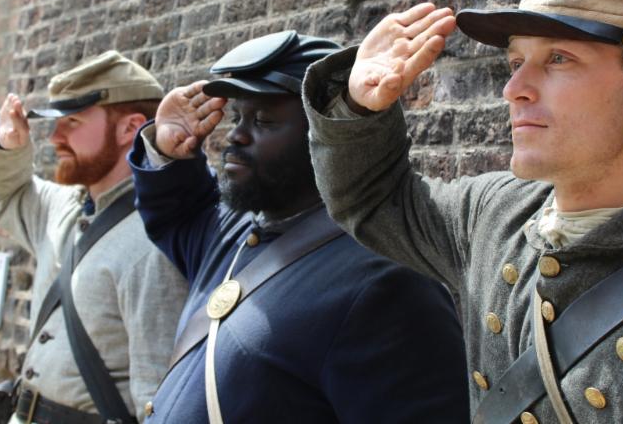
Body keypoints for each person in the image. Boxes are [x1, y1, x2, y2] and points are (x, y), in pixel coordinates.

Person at [301, 0, 623, 423]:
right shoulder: (494, 214)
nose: (514, 89)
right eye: (517, 61)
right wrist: (357, 105)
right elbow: (374, 199)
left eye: (558, 59)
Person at [126, 30, 470, 423]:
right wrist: (167, 149)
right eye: (238, 116)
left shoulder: (387, 280)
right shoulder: (239, 231)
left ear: (324, 140)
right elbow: (179, 214)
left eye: (265, 121)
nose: (237, 134)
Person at [0, 50, 188, 424]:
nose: (54, 137)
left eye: (71, 121)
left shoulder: (154, 242)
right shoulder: (66, 207)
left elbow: (159, 397)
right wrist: (7, 146)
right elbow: (7, 196)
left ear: (128, 128)